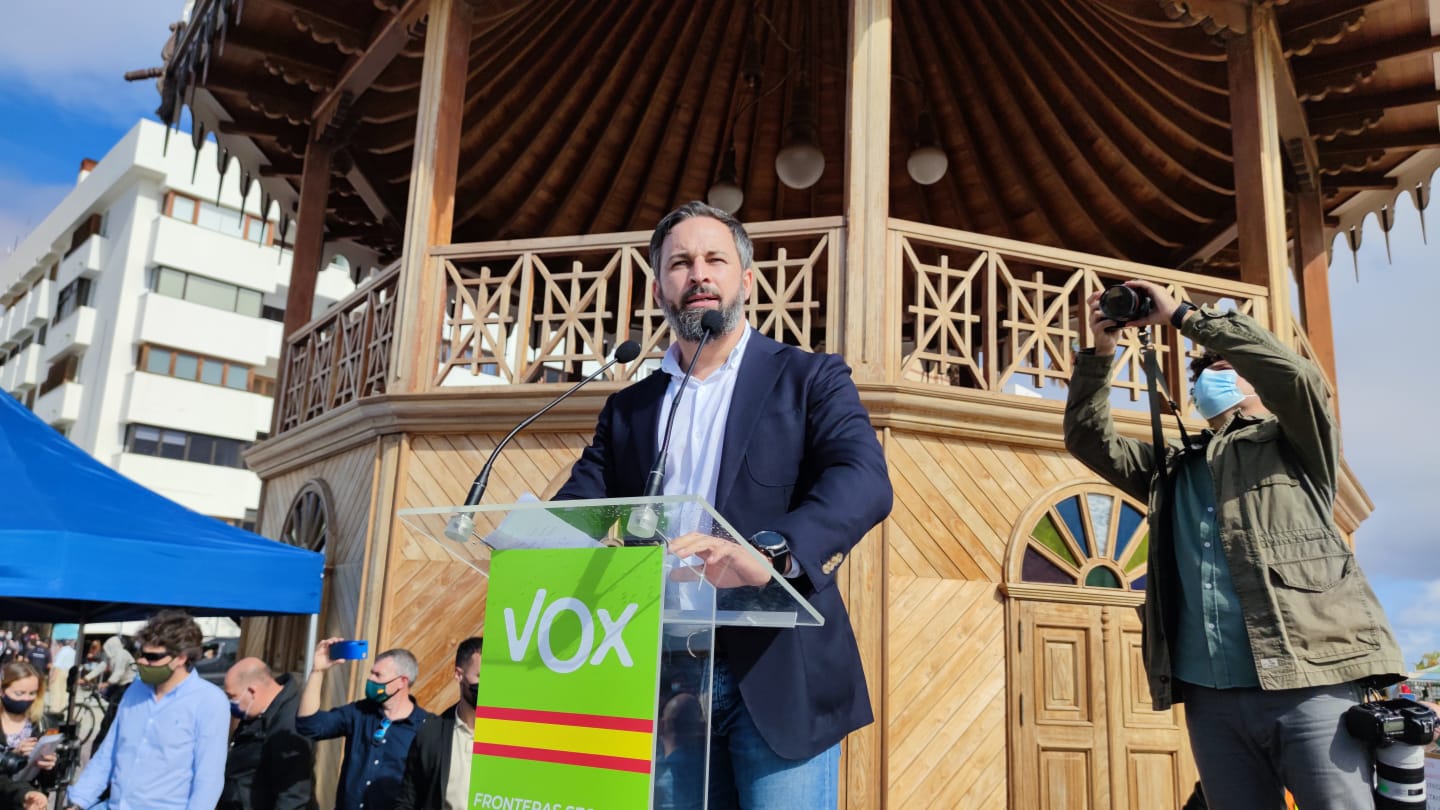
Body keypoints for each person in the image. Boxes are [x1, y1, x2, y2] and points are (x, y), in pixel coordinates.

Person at [555, 201, 893, 807]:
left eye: (715, 259)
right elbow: (579, 507)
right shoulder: (630, 408)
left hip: (778, 670)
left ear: (747, 279)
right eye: (680, 263)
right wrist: (526, 541)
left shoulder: (809, 378)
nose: (699, 274)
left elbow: (862, 478)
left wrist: (771, 553)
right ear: (658, 288)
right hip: (664, 677)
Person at [1063, 280, 1405, 808]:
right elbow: (1087, 437)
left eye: (1227, 367)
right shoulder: (1172, 468)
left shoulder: (1297, 443)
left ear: (1257, 382)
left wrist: (1183, 316)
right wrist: (1101, 352)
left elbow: (1294, 376)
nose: (1211, 377)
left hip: (1310, 682)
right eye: (1205, 372)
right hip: (1212, 699)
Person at [65, 610, 231, 810]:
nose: (142, 662)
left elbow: (208, 777)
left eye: (152, 657)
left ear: (181, 658)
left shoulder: (210, 701)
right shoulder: (135, 690)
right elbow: (108, 753)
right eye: (141, 654)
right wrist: (79, 802)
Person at [296, 640, 432, 810]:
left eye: (378, 675)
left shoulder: (426, 728)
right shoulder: (360, 712)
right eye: (371, 673)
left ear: (402, 682)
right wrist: (317, 671)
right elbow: (309, 725)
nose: (370, 679)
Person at [395, 637, 482, 810]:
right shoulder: (431, 733)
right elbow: (408, 799)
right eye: (480, 676)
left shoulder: (511, 736)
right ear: (459, 675)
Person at [219, 658, 315, 810]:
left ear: (252, 691)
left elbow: (293, 796)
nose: (230, 702)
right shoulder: (258, 712)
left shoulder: (289, 726)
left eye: (232, 696)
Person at [0, 661, 58, 792]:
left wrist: (49, 766)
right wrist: (13, 755)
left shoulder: (45, 724)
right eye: (19, 693)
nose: (26, 699)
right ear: (2, 691)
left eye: (32, 693)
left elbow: (49, 783)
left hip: (28, 799)